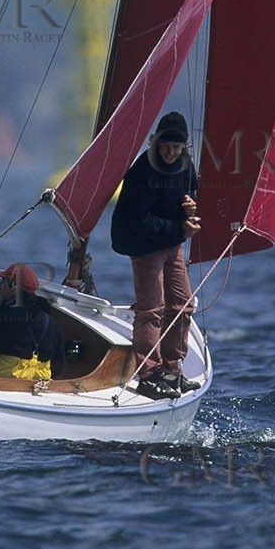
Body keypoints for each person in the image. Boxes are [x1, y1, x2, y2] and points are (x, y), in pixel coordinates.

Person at [110, 111, 203, 400]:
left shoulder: (184, 163)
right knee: (152, 309)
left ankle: (172, 369)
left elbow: (190, 191)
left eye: (177, 147)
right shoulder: (143, 171)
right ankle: (149, 374)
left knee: (183, 305)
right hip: (143, 243)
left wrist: (189, 204)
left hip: (171, 241)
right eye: (165, 146)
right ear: (155, 142)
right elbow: (139, 220)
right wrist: (180, 227)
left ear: (184, 147)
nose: (170, 152)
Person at [0, 263, 63, 379]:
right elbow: (59, 365)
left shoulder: (2, 317)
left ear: (14, 287)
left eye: (3, 281)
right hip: (39, 389)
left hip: (2, 386)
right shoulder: (52, 323)